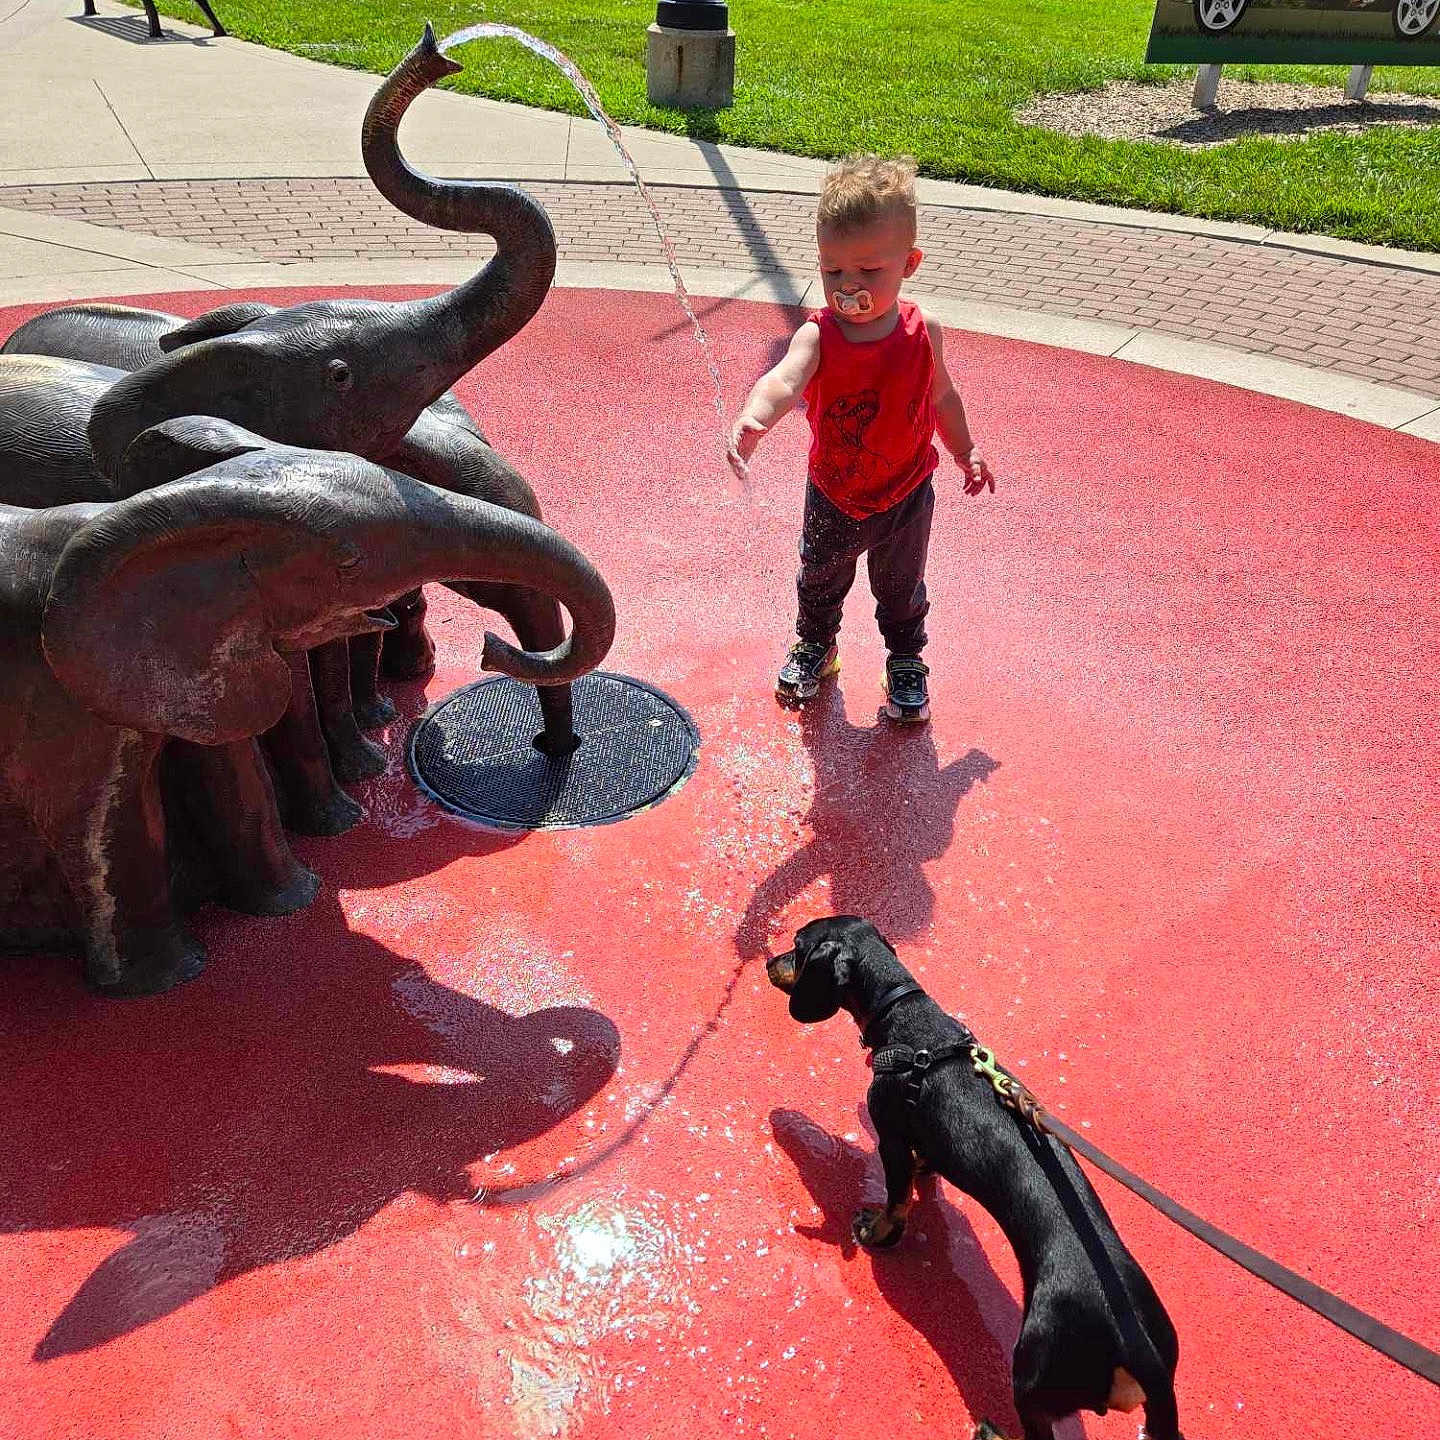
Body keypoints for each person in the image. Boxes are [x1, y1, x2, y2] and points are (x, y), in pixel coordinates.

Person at [728, 153, 994, 722]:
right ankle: (816, 645)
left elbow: (942, 398)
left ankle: (905, 659)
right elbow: (784, 380)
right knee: (819, 579)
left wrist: (965, 449)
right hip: (835, 492)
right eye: (833, 272)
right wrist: (756, 416)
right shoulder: (819, 335)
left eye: (868, 271)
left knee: (901, 588)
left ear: (909, 264)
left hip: (906, 492)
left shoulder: (924, 333)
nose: (848, 286)